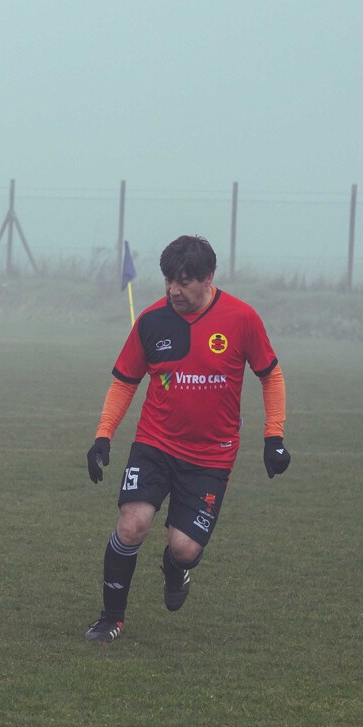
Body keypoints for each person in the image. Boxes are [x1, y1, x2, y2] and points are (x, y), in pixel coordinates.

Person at [82, 234, 289, 643]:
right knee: (132, 525)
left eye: (184, 281)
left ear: (208, 277)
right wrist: (103, 436)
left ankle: (175, 568)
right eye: (168, 280)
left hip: (212, 457)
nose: (173, 290)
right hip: (155, 444)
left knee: (184, 548)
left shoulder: (241, 318)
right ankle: (111, 618)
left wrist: (274, 436)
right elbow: (124, 382)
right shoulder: (151, 321)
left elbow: (271, 376)